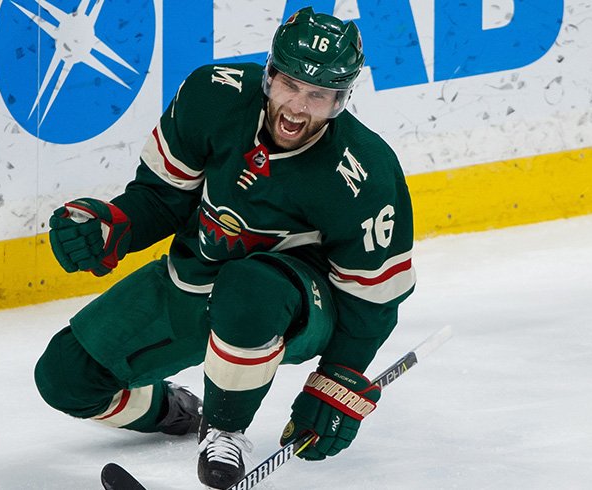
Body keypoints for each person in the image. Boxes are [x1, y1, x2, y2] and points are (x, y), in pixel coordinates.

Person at [33, 7, 416, 489]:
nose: (298, 108)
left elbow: (372, 298)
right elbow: (162, 197)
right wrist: (114, 227)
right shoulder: (212, 95)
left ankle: (224, 430)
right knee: (66, 378)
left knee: (248, 288)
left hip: (294, 310)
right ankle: (176, 412)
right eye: (291, 86)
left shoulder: (365, 173)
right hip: (196, 279)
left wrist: (337, 378)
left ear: (341, 99)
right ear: (271, 74)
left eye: (318, 95)